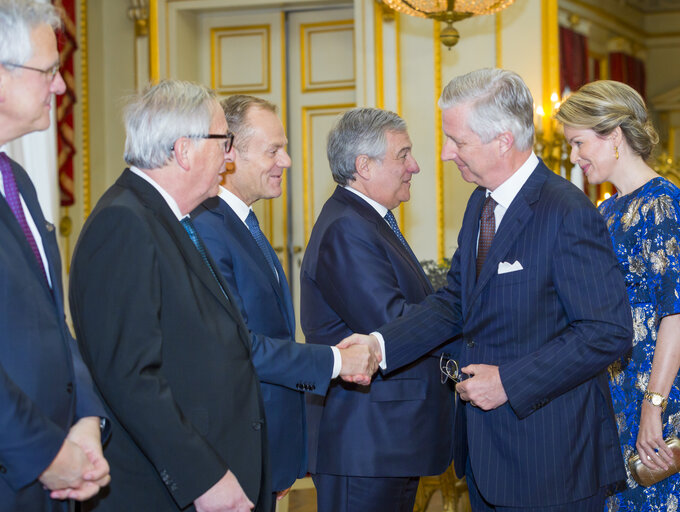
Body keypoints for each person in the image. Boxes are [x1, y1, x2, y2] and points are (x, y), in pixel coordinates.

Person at [341, 69, 634, 511]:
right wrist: (380, 345)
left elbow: (606, 332)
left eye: (457, 141)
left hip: (552, 461)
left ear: (502, 140)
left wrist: (509, 383)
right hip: (486, 456)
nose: (444, 154)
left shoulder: (565, 211)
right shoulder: (481, 202)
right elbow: (456, 302)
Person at [69, 80, 270, 512]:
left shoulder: (167, 216)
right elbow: (130, 376)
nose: (229, 157)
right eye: (223, 142)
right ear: (184, 150)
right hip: (165, 487)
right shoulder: (123, 224)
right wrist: (204, 477)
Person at [191, 95, 379, 509]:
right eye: (273, 150)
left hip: (264, 452)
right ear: (230, 153)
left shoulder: (243, 225)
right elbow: (239, 349)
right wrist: (336, 361)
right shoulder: (207, 229)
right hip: (233, 453)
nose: (287, 161)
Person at [555, 79, 680, 511]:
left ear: (614, 136)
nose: (573, 157)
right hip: (614, 386)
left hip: (656, 386)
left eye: (579, 143)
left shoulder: (663, 203)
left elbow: (675, 315)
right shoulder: (607, 208)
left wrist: (653, 405)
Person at [300, 107, 454, 512]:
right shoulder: (347, 228)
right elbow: (392, 322)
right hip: (364, 445)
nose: (415, 166)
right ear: (363, 166)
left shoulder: (368, 221)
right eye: (403, 155)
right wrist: (460, 309)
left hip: (385, 441)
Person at [0, 0, 110, 509]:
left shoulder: (16, 181)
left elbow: (50, 318)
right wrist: (45, 452)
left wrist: (86, 419)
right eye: (49, 71)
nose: (61, 87)